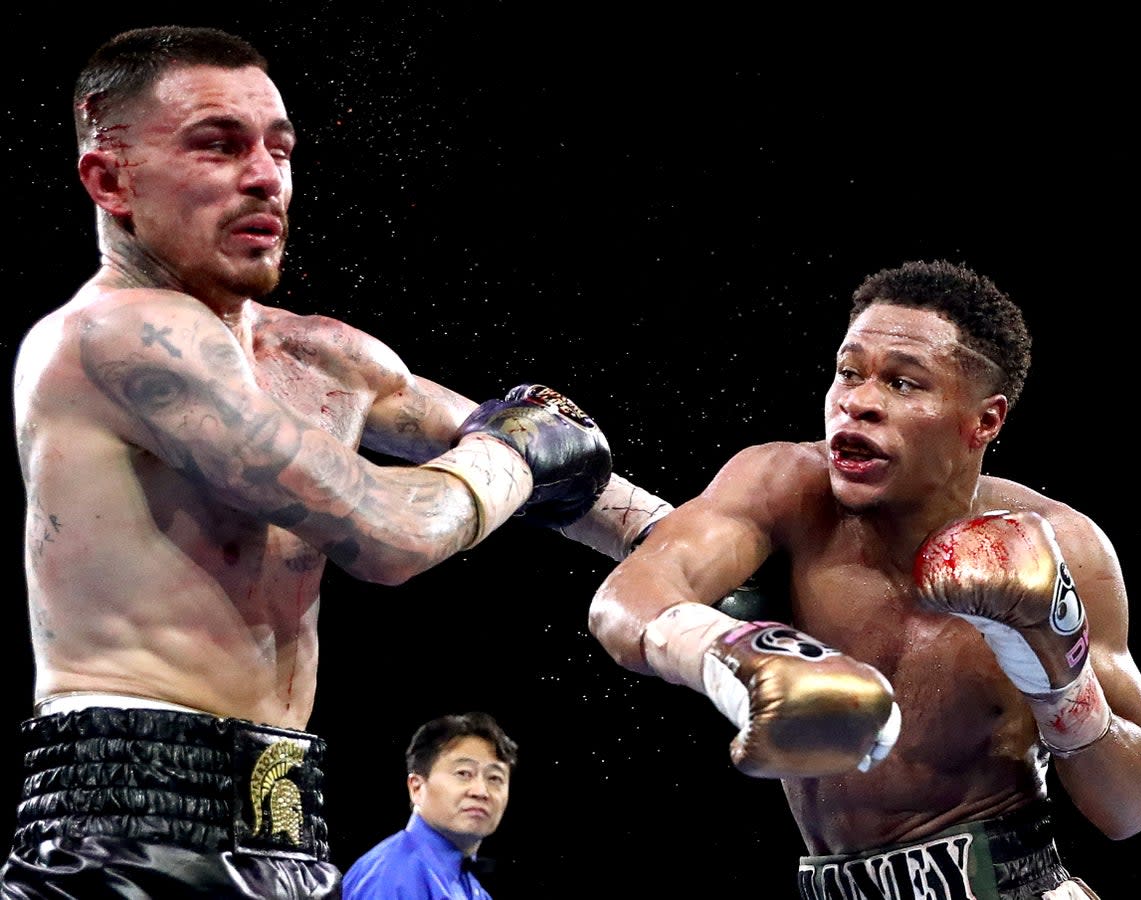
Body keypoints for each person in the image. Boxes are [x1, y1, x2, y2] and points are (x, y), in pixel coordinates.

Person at [1, 24, 671, 899]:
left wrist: (724, 571)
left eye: (279, 150)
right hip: (127, 827)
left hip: (285, 810)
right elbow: (393, 531)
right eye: (218, 145)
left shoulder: (319, 358)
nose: (263, 176)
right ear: (109, 179)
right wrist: (513, 452)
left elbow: (569, 472)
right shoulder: (115, 338)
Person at [588, 259, 1141, 899]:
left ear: (985, 421)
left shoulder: (1066, 548)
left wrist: (1059, 672)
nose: (858, 403)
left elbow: (1129, 808)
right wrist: (727, 652)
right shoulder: (785, 491)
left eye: (902, 383)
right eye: (848, 373)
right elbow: (629, 599)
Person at [342, 712, 516, 900]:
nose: (481, 791)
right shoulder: (391, 874)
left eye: (495, 778)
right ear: (417, 787)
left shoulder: (473, 888)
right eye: (464, 773)